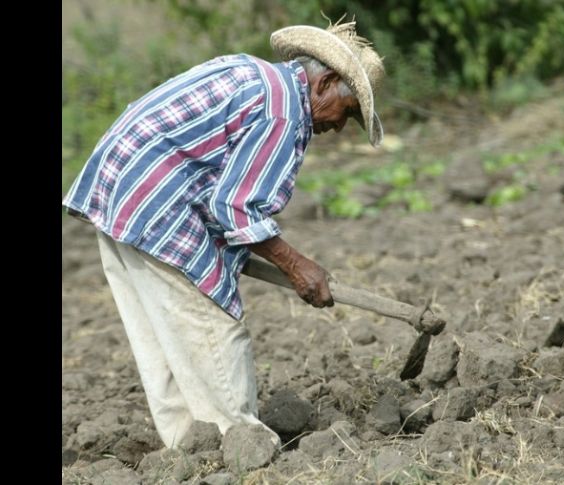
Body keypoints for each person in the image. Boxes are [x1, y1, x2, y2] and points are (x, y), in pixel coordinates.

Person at [62, 19, 385, 448]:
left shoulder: (254, 72)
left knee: (160, 334)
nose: (339, 127)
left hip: (120, 188)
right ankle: (239, 448)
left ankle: (191, 447)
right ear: (325, 82)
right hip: (158, 202)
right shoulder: (283, 111)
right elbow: (235, 207)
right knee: (212, 323)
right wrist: (297, 265)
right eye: (347, 112)